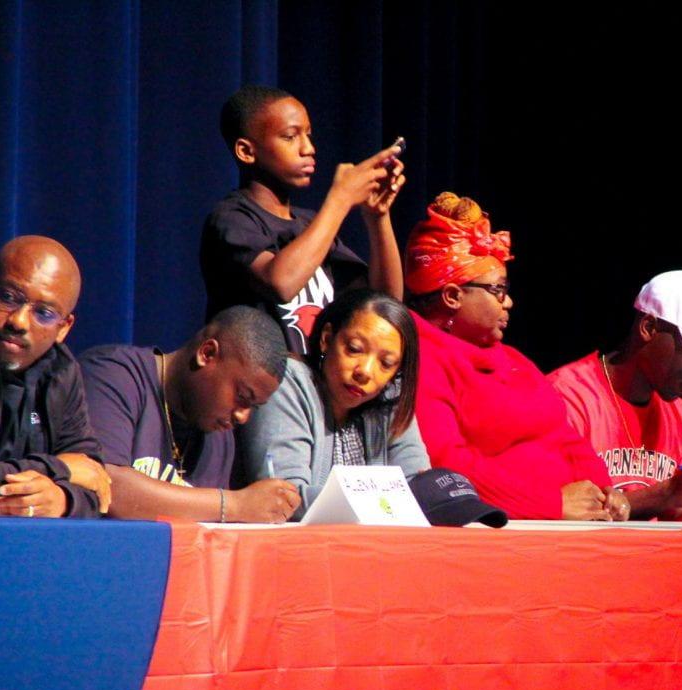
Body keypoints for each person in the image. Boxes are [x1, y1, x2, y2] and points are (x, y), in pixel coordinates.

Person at [405, 192, 628, 522]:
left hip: (567, 527)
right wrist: (550, 504)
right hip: (496, 532)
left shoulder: (513, 359)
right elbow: (445, 464)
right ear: (452, 296)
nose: (508, 303)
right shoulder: (422, 358)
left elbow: (566, 438)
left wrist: (605, 493)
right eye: (498, 290)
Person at [200, 84, 406, 354]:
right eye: (290, 137)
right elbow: (281, 283)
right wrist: (340, 199)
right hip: (257, 390)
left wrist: (377, 217)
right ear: (246, 152)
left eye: (308, 135)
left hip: (310, 389)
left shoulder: (310, 225)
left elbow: (385, 303)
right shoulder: (232, 219)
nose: (308, 148)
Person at [549, 270, 682, 518]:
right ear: (648, 327)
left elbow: (672, 519)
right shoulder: (566, 395)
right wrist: (669, 492)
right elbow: (559, 511)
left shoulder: (678, 413)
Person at [80, 306, 300, 522]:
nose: (243, 417)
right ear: (207, 353)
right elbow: (106, 487)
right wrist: (234, 505)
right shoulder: (113, 375)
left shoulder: (218, 434)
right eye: (242, 396)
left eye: (255, 406)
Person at [0, 236, 109, 517]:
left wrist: (61, 500)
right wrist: (62, 469)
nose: (19, 322)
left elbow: (97, 482)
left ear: (64, 328)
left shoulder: (61, 370)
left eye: (44, 313)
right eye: (8, 297)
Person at [240, 288, 429, 520]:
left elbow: (418, 491)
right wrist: (386, 504)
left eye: (386, 363)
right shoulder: (288, 380)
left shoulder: (390, 395)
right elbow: (284, 499)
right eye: (354, 350)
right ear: (327, 339)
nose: (366, 372)